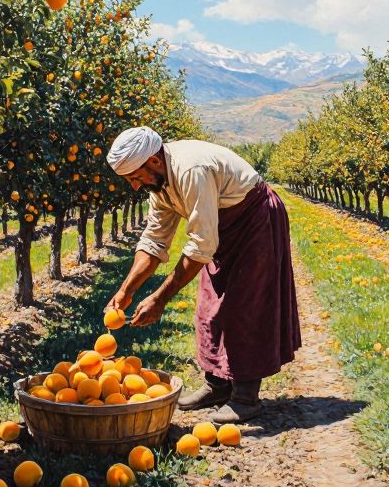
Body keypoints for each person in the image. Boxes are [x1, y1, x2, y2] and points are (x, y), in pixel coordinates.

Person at [104, 126, 300, 422]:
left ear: (154, 162)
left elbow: (200, 245)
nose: (135, 186)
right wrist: (126, 290)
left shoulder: (190, 169)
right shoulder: (160, 183)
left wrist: (160, 298)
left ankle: (246, 397)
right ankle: (217, 386)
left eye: (135, 177)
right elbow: (155, 240)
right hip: (223, 227)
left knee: (244, 308)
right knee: (208, 307)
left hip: (254, 220)